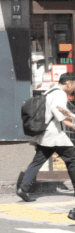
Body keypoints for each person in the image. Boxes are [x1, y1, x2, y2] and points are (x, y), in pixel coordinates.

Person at [18, 72, 75, 202]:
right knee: (72, 161)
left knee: (37, 162)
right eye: (74, 85)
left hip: (46, 135)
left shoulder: (50, 91)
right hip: (55, 135)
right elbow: (60, 113)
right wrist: (72, 119)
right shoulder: (60, 94)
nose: (74, 89)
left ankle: (23, 189)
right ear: (69, 83)